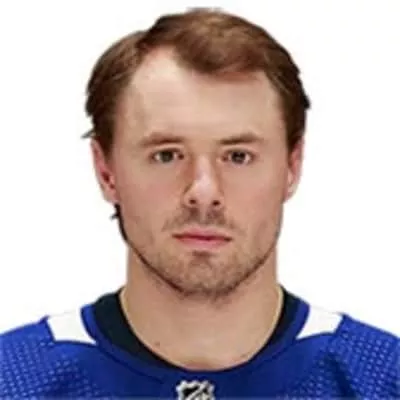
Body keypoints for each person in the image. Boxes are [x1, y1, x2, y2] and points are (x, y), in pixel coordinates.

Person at [1, 7, 398, 399]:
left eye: (238, 156)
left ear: (292, 167)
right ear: (106, 171)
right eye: (167, 155)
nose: (204, 191)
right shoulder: (14, 380)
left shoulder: (383, 379)